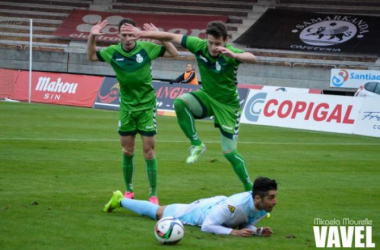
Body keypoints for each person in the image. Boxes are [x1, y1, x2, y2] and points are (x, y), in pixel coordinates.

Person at [121, 21, 258, 191]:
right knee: (180, 102)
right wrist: (142, 34)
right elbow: (172, 36)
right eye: (211, 43)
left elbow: (252, 58)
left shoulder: (229, 53)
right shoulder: (198, 46)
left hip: (228, 106)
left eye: (218, 44)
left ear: (225, 41)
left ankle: (249, 188)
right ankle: (197, 143)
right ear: (206, 39)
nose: (214, 47)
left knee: (230, 153)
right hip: (207, 97)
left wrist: (234, 55)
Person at [87, 19, 178, 205]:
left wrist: (160, 35)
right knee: (127, 150)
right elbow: (92, 56)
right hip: (127, 108)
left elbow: (173, 52)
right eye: (124, 35)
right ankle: (129, 190)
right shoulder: (113, 52)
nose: (128, 38)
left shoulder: (146, 48)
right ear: (118, 36)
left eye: (130, 34)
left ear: (135, 35)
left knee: (148, 152)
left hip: (146, 107)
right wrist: (92, 36)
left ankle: (153, 195)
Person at [104, 177, 278, 237]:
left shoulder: (263, 207)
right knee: (159, 213)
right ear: (257, 197)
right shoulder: (234, 205)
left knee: (160, 211)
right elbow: (207, 226)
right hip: (202, 211)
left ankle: (120, 200)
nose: (275, 202)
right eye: (271, 198)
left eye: (275, 197)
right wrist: (232, 233)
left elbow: (244, 222)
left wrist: (257, 231)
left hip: (219, 205)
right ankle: (119, 200)